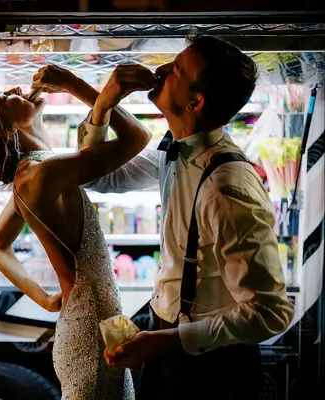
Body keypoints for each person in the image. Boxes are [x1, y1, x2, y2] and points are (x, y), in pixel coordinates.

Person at [80, 34, 295, 400]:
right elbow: (99, 176)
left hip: (213, 366)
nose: (161, 71)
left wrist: (168, 339)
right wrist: (102, 106)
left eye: (177, 71)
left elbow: (270, 312)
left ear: (196, 101)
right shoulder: (175, 149)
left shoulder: (227, 187)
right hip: (167, 341)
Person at [0, 64, 155, 399]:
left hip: (92, 325)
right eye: (6, 97)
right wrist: (74, 84)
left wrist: (46, 300)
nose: (17, 91)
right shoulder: (40, 176)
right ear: (5, 130)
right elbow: (138, 138)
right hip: (91, 334)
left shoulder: (31, 175)